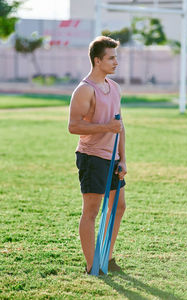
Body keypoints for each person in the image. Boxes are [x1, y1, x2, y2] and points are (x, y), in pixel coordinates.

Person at [68, 36, 127, 275]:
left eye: (116, 57)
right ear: (97, 60)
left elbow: (120, 125)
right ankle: (93, 264)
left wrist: (123, 159)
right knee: (91, 212)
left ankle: (107, 258)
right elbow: (73, 126)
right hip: (92, 157)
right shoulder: (84, 90)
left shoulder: (114, 88)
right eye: (111, 58)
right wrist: (105, 128)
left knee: (119, 206)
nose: (116, 62)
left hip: (113, 158)